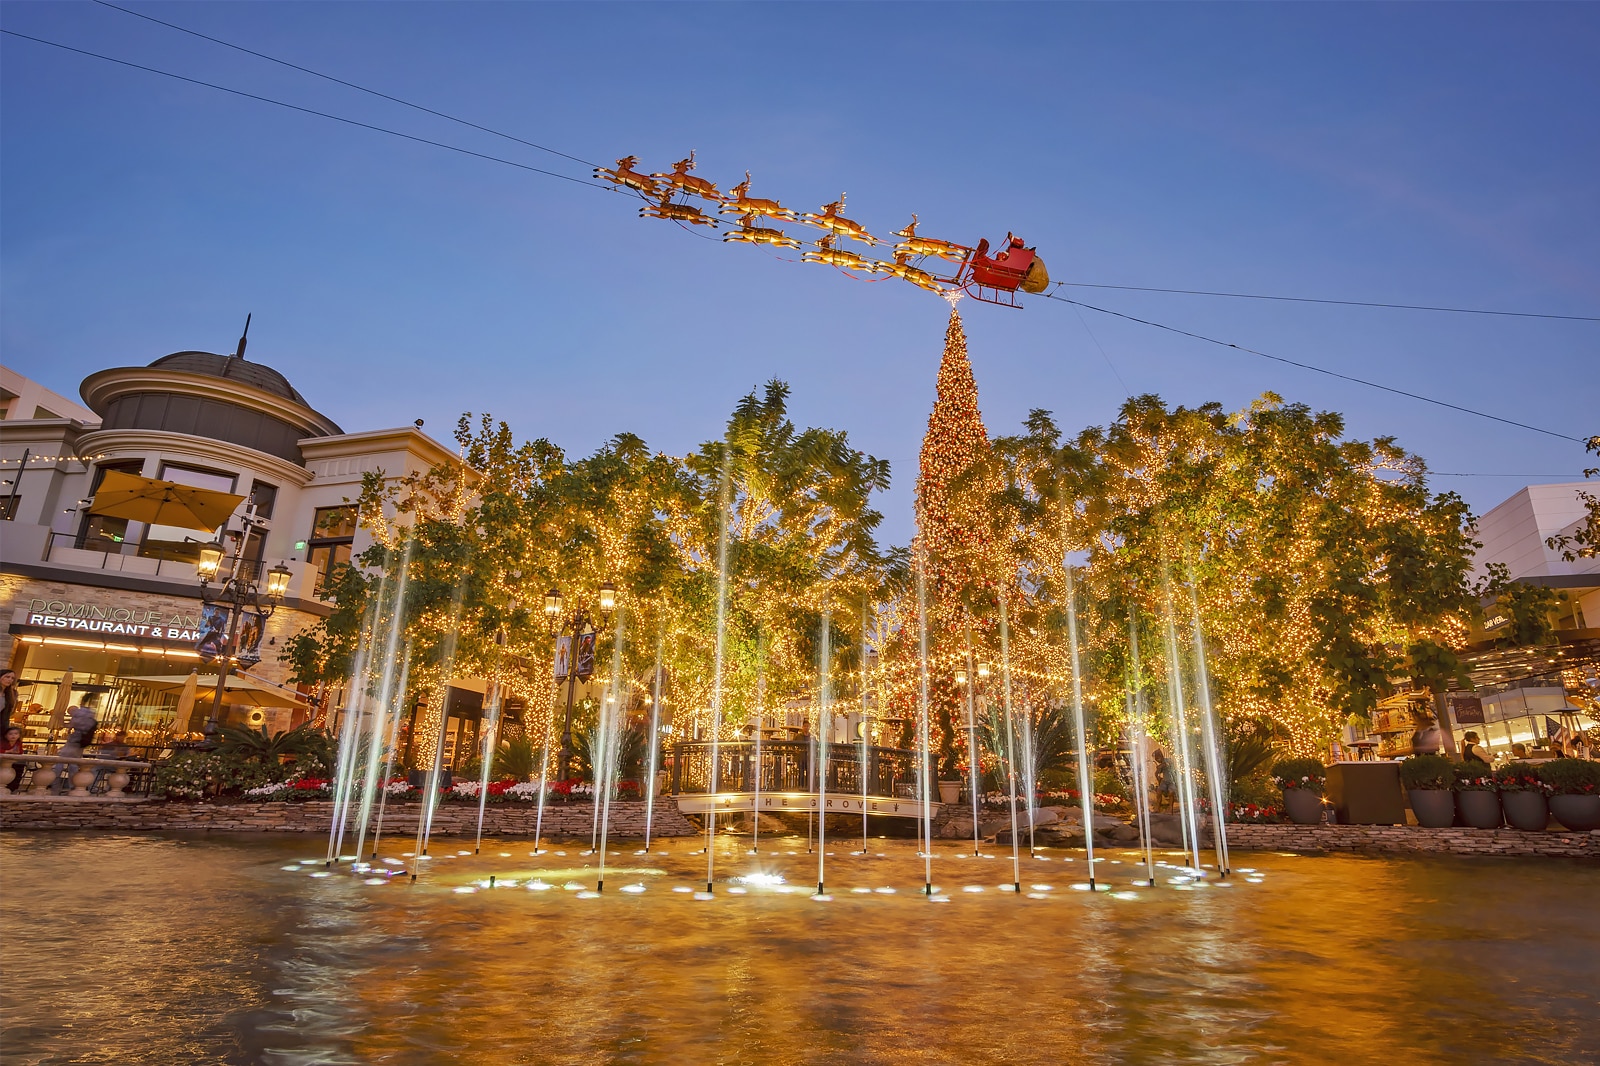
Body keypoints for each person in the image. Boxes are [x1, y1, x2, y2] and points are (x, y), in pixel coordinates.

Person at [1, 725, 25, 792]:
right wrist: (8, 751)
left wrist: (18, 752)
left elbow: (20, 751)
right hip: (2, 762)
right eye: (10, 734)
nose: (13, 736)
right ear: (6, 735)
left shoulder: (18, 743)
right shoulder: (2, 742)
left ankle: (12, 788)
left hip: (13, 762)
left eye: (16, 734)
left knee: (19, 769)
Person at [0, 669, 18, 735]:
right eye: (7, 677)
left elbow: (6, 715)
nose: (10, 680)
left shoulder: (10, 694)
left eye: (12, 678)